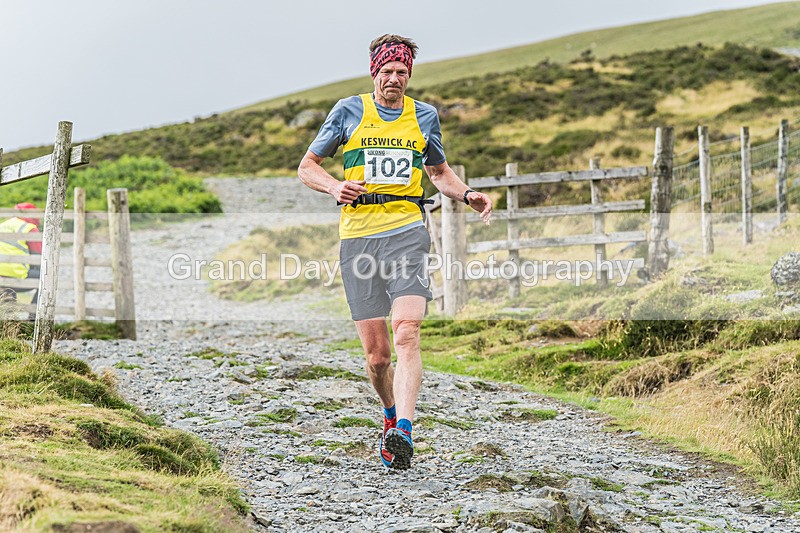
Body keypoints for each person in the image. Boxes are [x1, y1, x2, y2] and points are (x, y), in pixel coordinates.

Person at [298, 34, 492, 470]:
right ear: (374, 73)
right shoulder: (348, 111)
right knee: (377, 357)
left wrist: (469, 194)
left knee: (407, 333)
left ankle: (404, 430)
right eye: (387, 72)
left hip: (407, 231)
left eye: (402, 72)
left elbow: (439, 172)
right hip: (359, 238)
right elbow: (306, 166)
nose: (394, 79)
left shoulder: (424, 116)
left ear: (409, 75)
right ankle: (388, 413)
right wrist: (333, 185)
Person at [0, 203, 42, 306]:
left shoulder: (3, 225)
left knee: (8, 294)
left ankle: (8, 318)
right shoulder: (29, 228)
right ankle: (33, 318)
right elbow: (38, 258)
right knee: (48, 278)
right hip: (16, 275)